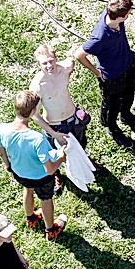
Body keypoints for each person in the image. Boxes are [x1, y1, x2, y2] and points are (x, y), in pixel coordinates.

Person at [73, 0, 135, 149]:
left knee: (129, 93)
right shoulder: (100, 37)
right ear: (121, 17)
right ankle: (112, 127)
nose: (130, 14)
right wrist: (96, 72)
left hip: (127, 64)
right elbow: (79, 55)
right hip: (112, 77)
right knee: (111, 105)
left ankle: (126, 116)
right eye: (128, 14)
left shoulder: (113, 15)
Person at [0, 91, 67, 241]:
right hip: (41, 177)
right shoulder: (37, 139)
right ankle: (51, 230)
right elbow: (50, 169)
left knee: (27, 189)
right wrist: (61, 158)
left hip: (20, 173)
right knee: (46, 199)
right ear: (33, 111)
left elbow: (1, 153)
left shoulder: (1, 129)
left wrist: (8, 166)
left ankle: (31, 219)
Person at [29, 44, 97, 193]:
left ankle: (85, 160)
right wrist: (53, 133)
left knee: (80, 142)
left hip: (73, 118)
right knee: (56, 154)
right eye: (44, 63)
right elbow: (34, 115)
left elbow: (71, 61)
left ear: (56, 59)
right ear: (38, 64)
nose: (49, 66)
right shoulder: (37, 87)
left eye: (51, 61)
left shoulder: (66, 68)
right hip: (55, 126)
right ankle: (57, 174)